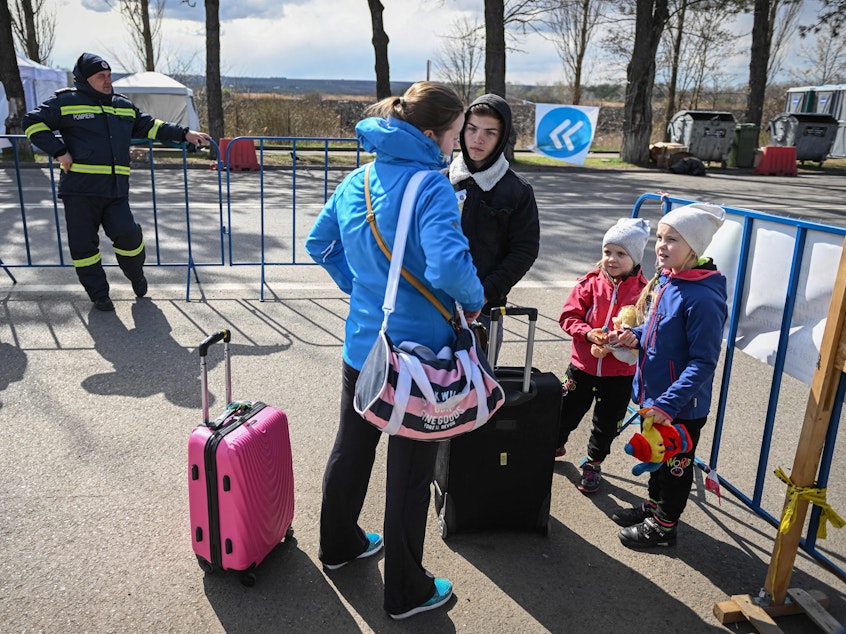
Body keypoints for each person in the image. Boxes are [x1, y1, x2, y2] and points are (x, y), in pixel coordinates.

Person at [305, 82, 484, 620]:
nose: (456, 145)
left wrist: (360, 289)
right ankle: (406, 590)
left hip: (364, 344)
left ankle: (338, 545)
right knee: (409, 470)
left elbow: (320, 243)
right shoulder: (430, 185)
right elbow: (450, 268)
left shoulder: (357, 179)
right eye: (455, 134)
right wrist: (474, 301)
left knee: (352, 445)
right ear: (432, 133)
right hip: (420, 356)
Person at [21, 52, 211, 311]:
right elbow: (31, 122)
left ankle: (136, 275)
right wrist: (59, 151)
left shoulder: (122, 105)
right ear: (85, 79)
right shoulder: (66, 102)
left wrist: (184, 133)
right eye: (101, 76)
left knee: (129, 236)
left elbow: (150, 126)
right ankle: (99, 294)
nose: (108, 81)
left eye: (109, 75)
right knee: (84, 246)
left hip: (115, 191)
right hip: (79, 191)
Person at [609, 203, 727, 548]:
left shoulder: (702, 297)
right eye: (660, 237)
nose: (661, 245)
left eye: (672, 239)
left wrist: (669, 404)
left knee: (675, 468)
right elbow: (659, 328)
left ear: (694, 248)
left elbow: (704, 361)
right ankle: (654, 507)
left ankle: (664, 526)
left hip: (680, 408)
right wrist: (636, 335)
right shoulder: (670, 280)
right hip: (655, 400)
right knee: (656, 459)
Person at [555, 217, 651, 494]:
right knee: (565, 411)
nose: (611, 258)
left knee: (606, 424)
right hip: (582, 367)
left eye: (621, 254)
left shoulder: (645, 291)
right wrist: (587, 333)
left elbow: (650, 328)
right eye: (608, 252)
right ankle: (556, 442)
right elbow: (568, 316)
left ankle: (593, 463)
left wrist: (629, 338)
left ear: (634, 258)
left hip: (620, 375)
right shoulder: (590, 283)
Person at [447, 94, 539, 356]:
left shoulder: (518, 191)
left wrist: (483, 295)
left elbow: (524, 251)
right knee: (432, 389)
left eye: (490, 133)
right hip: (433, 307)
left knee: (478, 392)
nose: (478, 139)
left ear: (502, 137)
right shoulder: (441, 181)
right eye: (472, 129)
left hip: (484, 314)